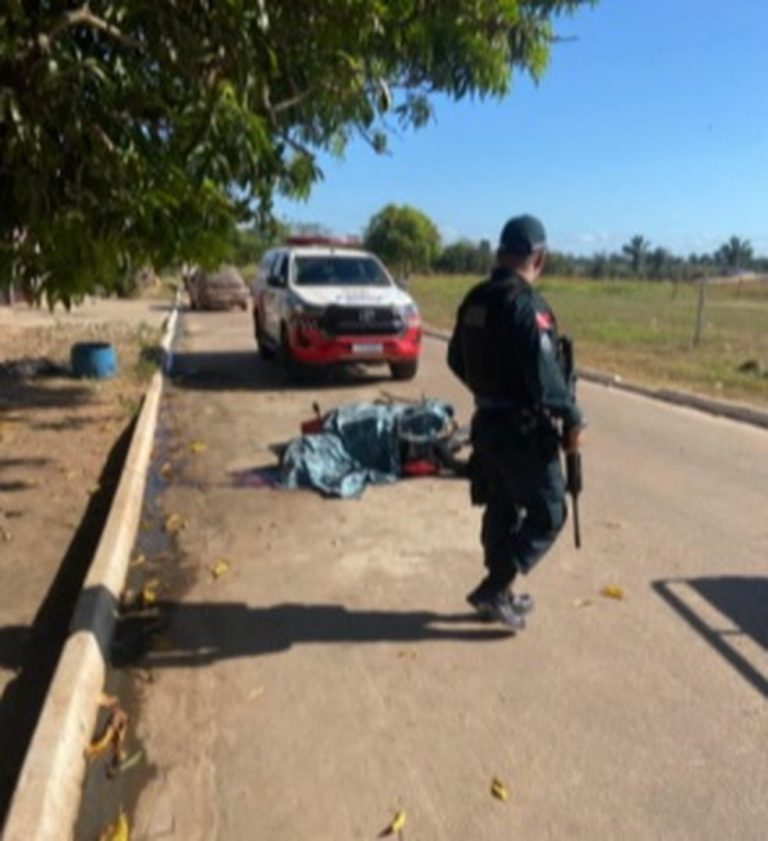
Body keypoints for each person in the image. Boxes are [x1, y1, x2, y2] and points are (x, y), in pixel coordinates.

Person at [447, 214, 584, 630]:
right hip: (523, 431)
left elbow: (455, 359)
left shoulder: (475, 298)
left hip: (487, 423)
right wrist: (573, 420)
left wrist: (490, 391)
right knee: (550, 512)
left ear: (501, 251)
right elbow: (549, 383)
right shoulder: (527, 306)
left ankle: (500, 593)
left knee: (502, 506)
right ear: (538, 257)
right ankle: (495, 585)